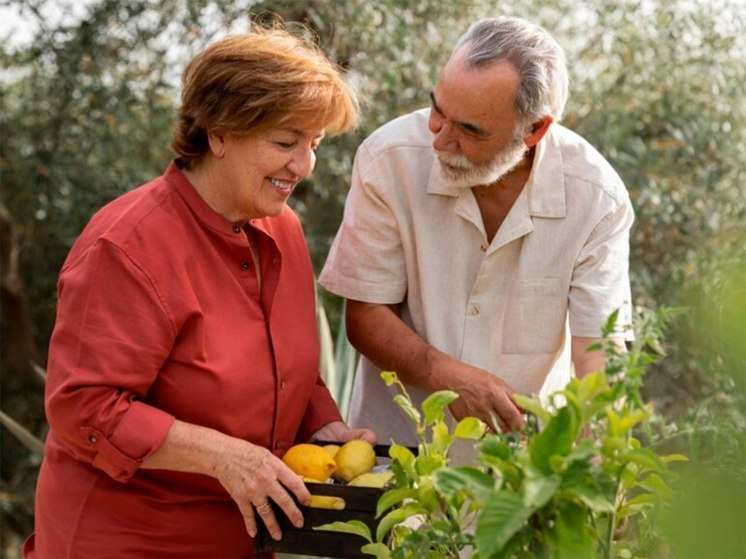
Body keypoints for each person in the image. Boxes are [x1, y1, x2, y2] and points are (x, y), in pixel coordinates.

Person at [25, 25, 376, 559]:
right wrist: (223, 456)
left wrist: (323, 423)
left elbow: (285, 366)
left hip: (243, 540)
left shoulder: (283, 229)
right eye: (285, 142)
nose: (304, 166)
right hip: (122, 541)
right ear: (218, 133)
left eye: (315, 144)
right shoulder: (126, 245)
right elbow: (84, 409)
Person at [319, 16, 633, 455]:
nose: (440, 141)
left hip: (522, 471)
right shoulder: (387, 159)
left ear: (535, 130)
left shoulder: (597, 198)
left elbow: (599, 353)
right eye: (437, 110)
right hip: (399, 456)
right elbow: (365, 315)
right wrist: (446, 376)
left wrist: (599, 472)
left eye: (469, 130)